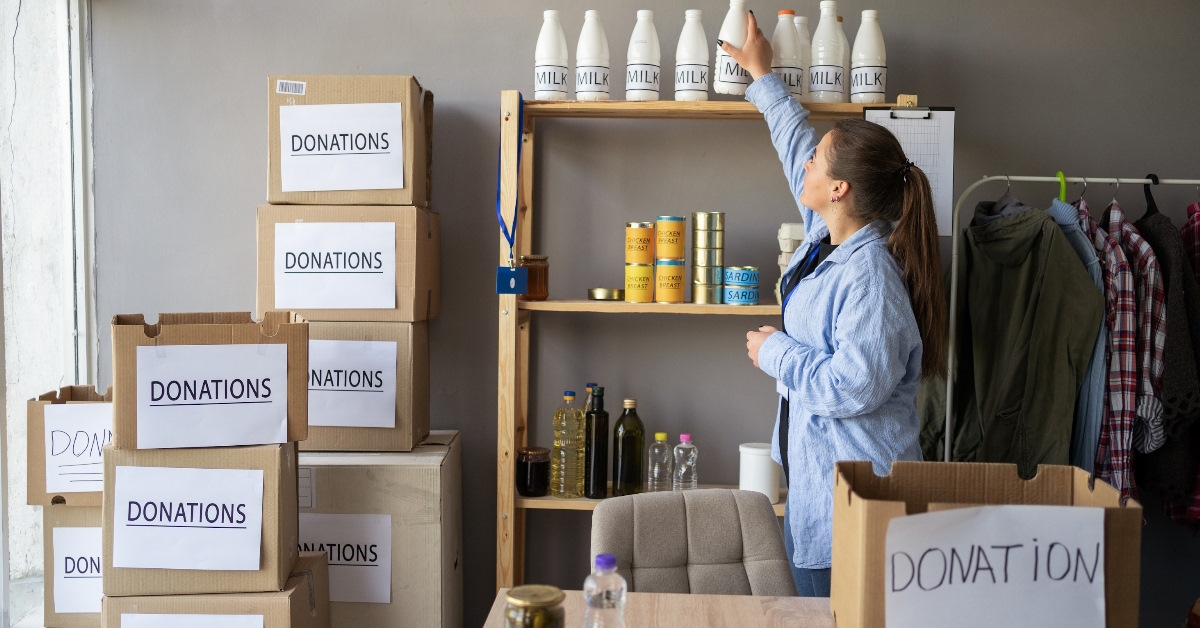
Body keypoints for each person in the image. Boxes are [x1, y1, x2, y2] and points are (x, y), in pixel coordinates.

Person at [722, 13, 946, 597]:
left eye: (818, 163)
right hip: (824, 495)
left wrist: (777, 353)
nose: (806, 165)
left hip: (864, 509)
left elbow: (854, 385)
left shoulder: (869, 277)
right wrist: (763, 76)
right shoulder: (829, 238)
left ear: (840, 188)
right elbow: (797, 140)